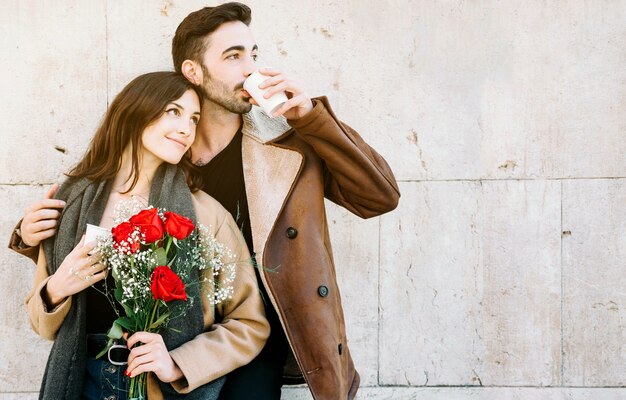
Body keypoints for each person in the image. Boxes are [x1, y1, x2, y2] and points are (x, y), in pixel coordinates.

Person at [10, 3, 401, 399]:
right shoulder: (162, 148)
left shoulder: (285, 141)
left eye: (253, 54)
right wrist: (30, 235)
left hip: (259, 332)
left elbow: (378, 197)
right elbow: (102, 244)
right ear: (192, 71)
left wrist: (310, 117)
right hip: (166, 337)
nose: (250, 68)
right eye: (233, 56)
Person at [17, 71, 269, 400]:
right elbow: (43, 327)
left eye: (194, 119)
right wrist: (56, 289)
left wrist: (178, 363)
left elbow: (250, 323)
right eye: (174, 112)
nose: (186, 129)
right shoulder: (72, 201)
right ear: (135, 111)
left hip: (158, 389)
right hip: (82, 384)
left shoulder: (206, 214)